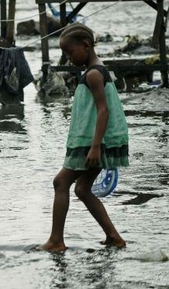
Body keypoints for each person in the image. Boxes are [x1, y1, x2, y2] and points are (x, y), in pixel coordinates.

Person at [38, 24, 128, 252]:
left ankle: (56, 241)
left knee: (60, 182)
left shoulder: (95, 74)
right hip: (97, 140)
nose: (68, 58)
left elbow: (103, 110)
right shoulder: (96, 70)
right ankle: (114, 237)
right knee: (82, 188)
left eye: (70, 52)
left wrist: (95, 146)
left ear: (85, 46)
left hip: (94, 142)